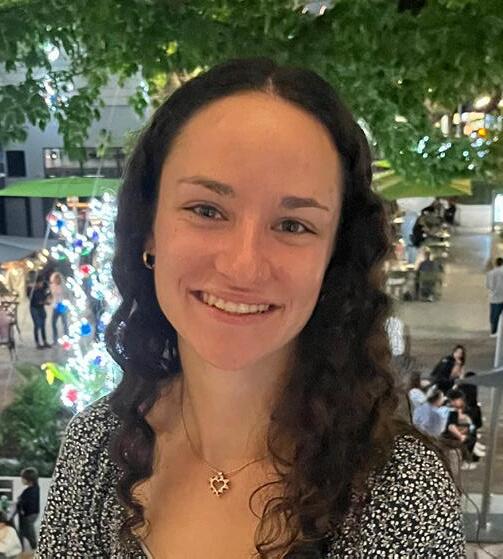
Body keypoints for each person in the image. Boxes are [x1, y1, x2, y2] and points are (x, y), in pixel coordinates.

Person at [36, 59, 464, 558]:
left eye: (293, 225)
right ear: (149, 228)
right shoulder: (94, 452)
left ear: (334, 256)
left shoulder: (398, 495)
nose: (243, 266)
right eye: (207, 210)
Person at [16, 467, 39, 552]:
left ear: (29, 480)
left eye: (23, 478)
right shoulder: (34, 488)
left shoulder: (31, 490)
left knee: (28, 533)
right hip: (30, 514)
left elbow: (25, 502)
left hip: (29, 515)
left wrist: (20, 501)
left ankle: (34, 548)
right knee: (23, 531)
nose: (21, 480)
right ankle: (22, 548)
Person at [26, 278, 50, 349]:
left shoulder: (42, 289)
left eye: (42, 283)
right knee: (37, 325)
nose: (41, 284)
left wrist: (45, 301)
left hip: (41, 308)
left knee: (43, 325)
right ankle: (37, 343)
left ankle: (44, 341)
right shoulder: (32, 289)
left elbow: (45, 296)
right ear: (36, 283)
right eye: (40, 283)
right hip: (34, 308)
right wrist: (31, 288)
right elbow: (29, 297)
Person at [48, 271, 69, 344]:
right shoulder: (52, 286)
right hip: (55, 305)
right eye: (55, 279)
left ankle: (66, 336)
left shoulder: (63, 286)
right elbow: (51, 295)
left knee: (64, 322)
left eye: (58, 279)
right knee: (53, 322)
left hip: (62, 304)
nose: (57, 280)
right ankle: (55, 338)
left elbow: (67, 294)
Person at [486, 257, 503, 335]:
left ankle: (494, 331)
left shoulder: (490, 273)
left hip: (494, 298)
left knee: (494, 316)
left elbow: (488, 286)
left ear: (496, 263)